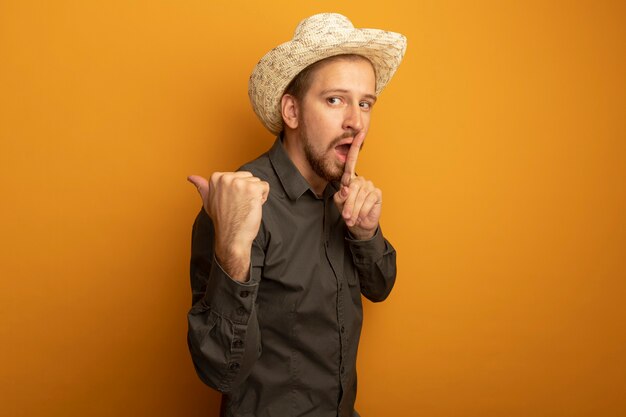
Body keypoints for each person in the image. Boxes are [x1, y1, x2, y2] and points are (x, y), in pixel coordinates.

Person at [186, 13, 407, 417]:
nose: (356, 121)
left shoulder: (344, 193)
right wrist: (233, 250)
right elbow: (219, 370)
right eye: (334, 99)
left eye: (365, 103)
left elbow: (380, 287)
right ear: (291, 111)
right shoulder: (241, 205)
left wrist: (366, 233)